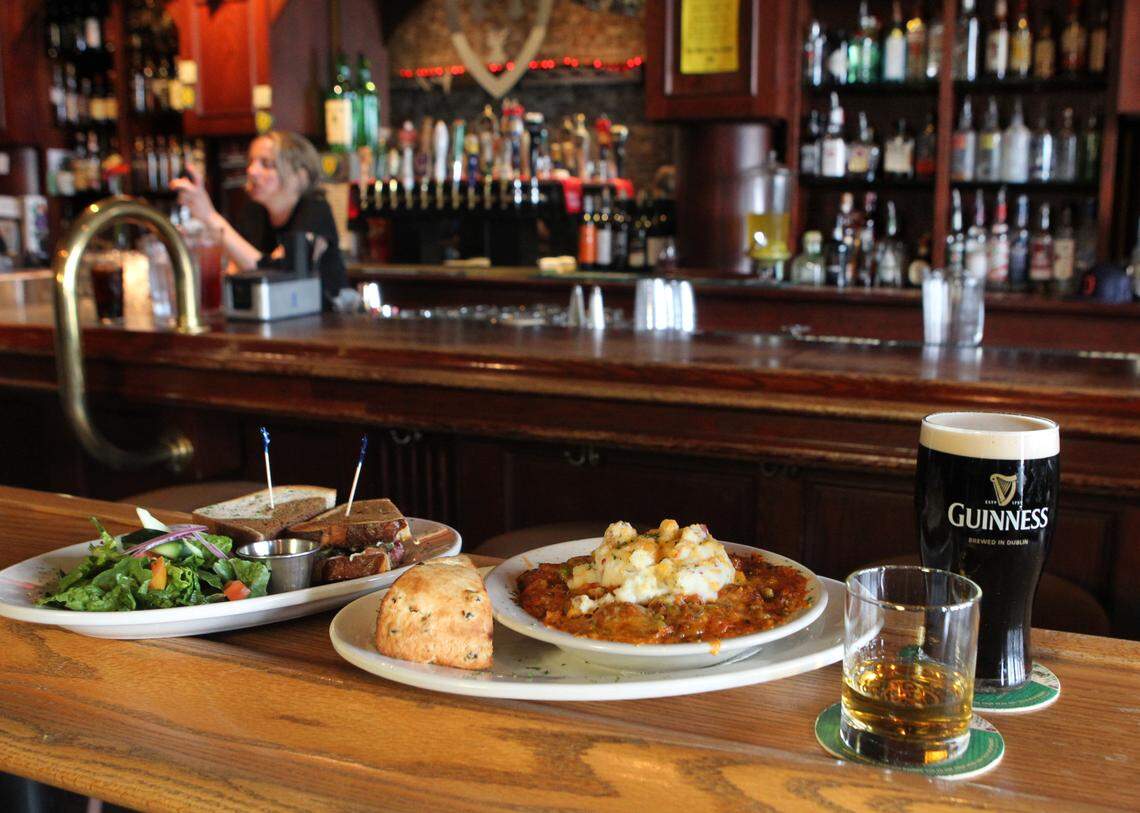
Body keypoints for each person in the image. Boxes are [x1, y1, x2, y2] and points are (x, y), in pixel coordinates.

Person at [171, 131, 347, 307]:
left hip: (325, 318)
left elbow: (276, 277)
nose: (251, 171)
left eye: (267, 164)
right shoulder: (254, 211)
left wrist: (210, 216)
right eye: (251, 162)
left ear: (299, 176)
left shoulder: (315, 209)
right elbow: (234, 269)